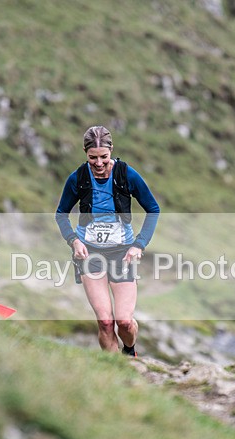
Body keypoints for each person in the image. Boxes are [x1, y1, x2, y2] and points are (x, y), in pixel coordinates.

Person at [55, 126, 160, 357]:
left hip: (122, 254)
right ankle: (117, 372)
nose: (99, 163)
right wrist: (73, 241)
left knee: (123, 321)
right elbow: (61, 213)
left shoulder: (126, 175)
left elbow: (153, 209)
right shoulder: (78, 178)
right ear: (85, 153)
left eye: (104, 157)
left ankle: (129, 350)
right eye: (93, 158)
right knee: (104, 321)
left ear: (111, 151)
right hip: (89, 254)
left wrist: (138, 245)